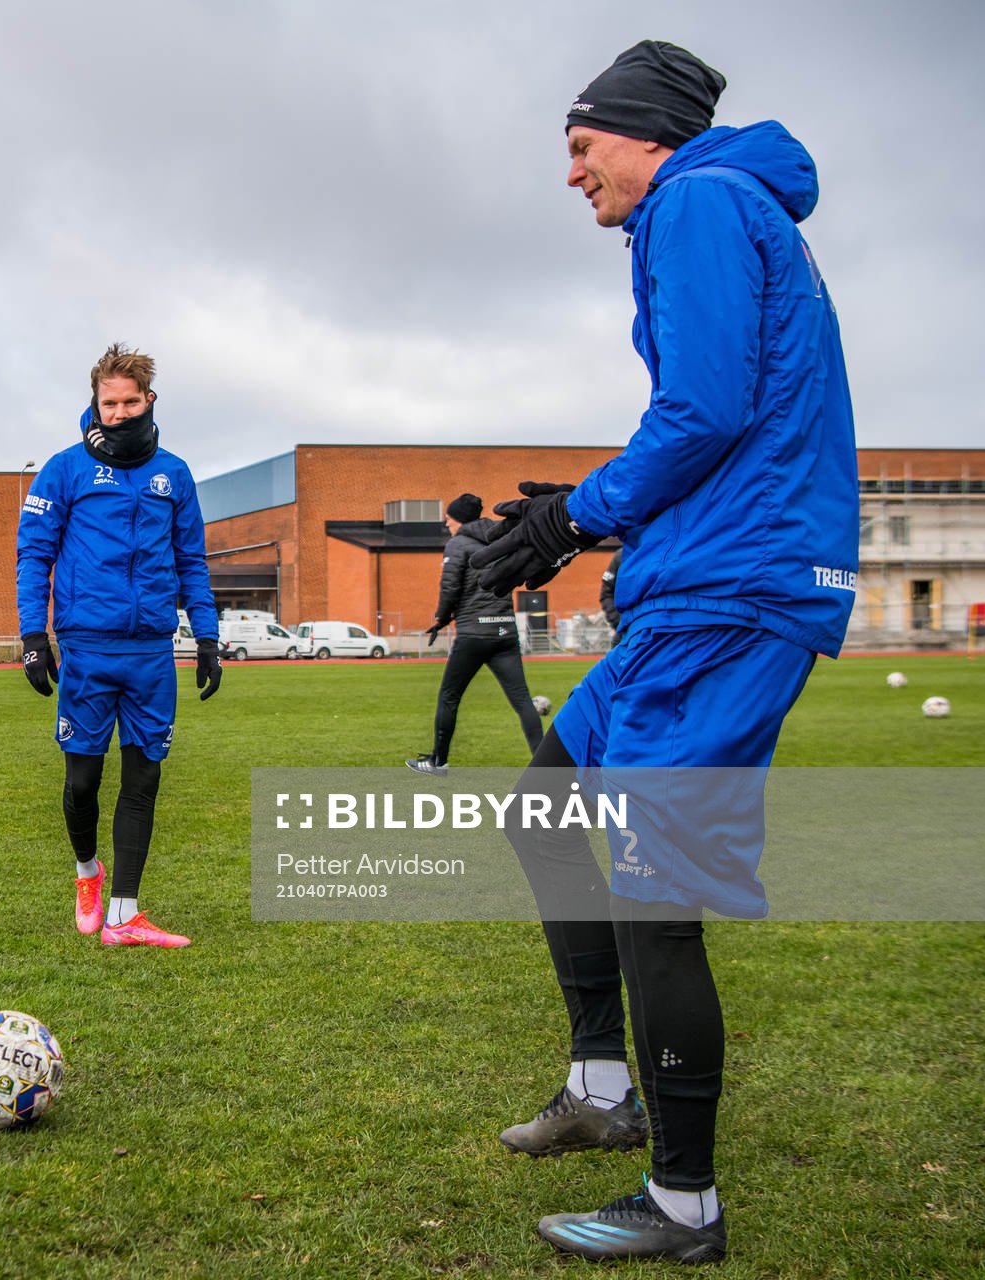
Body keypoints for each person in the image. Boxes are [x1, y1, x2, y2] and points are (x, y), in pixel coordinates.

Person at [470, 42, 858, 1263]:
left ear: (645, 137)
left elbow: (702, 411)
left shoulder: (696, 198)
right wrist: (577, 525)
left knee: (653, 895)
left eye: (583, 149)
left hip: (735, 598)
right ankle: (601, 1084)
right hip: (697, 588)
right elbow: (710, 415)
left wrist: (571, 515)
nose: (574, 175)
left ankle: (684, 1201)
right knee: (544, 810)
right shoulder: (708, 209)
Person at [16, 344, 221, 949]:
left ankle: (125, 915)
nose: (121, 412)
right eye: (111, 402)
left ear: (149, 400)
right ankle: (88, 874)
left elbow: (192, 561)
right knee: (83, 781)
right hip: (87, 648)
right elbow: (34, 555)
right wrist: (34, 636)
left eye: (132, 401)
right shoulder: (63, 470)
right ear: (95, 403)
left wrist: (207, 637)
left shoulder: (175, 474)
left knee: (143, 780)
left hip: (153, 652)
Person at [409, 493, 544, 776]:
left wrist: (441, 619)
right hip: (505, 630)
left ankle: (438, 762)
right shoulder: (500, 539)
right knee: (522, 701)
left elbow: (450, 588)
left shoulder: (457, 545)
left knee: (449, 696)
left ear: (459, 519)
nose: (446, 523)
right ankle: (548, 769)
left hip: (473, 633)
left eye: (448, 517)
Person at [599, 547, 625, 633]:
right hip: (626, 630)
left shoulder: (664, 552)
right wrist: (619, 622)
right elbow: (607, 594)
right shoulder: (621, 556)